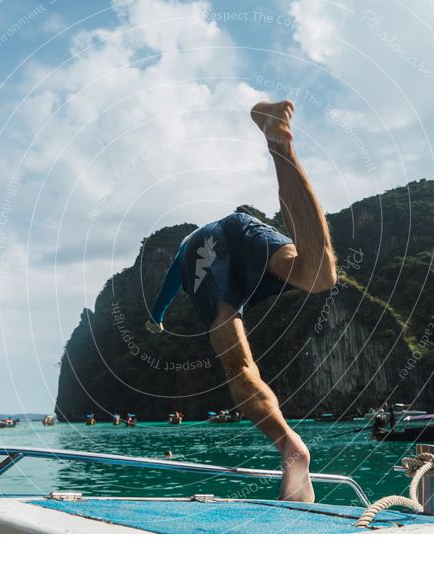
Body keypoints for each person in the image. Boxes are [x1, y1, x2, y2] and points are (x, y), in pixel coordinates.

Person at [145, 100, 337, 502]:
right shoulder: (233, 226)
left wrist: (156, 317)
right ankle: (278, 142)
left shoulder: (187, 245)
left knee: (239, 365)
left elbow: (170, 284)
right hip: (243, 225)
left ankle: (289, 445)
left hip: (206, 251)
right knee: (316, 275)